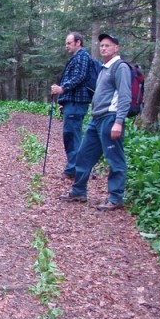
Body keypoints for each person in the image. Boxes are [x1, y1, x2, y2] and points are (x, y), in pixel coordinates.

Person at [59, 33, 131, 211]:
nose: (104, 48)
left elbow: (124, 96)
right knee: (84, 154)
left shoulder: (120, 67)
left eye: (108, 45)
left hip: (111, 118)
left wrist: (119, 121)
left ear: (116, 48)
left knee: (114, 158)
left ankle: (115, 198)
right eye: (102, 46)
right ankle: (78, 191)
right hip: (96, 118)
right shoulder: (104, 67)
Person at [50, 32, 93, 180]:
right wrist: (64, 101)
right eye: (66, 43)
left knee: (72, 136)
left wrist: (62, 89)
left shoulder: (82, 56)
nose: (66, 46)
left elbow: (79, 77)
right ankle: (75, 168)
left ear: (78, 42)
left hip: (77, 103)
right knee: (71, 135)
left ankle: (74, 169)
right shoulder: (77, 57)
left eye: (69, 43)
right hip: (72, 102)